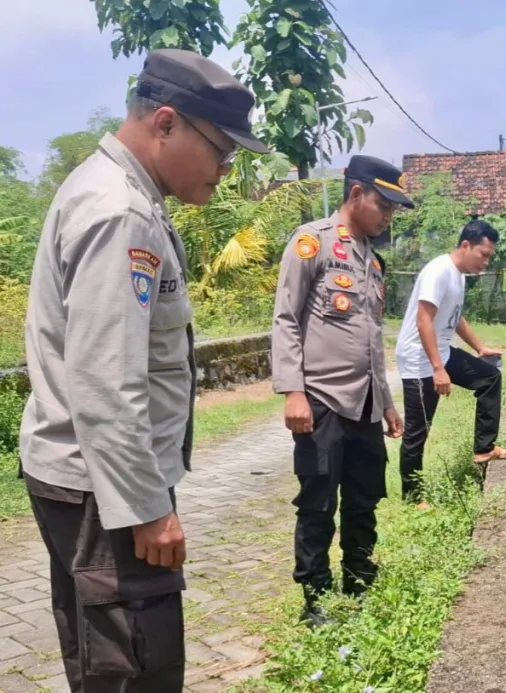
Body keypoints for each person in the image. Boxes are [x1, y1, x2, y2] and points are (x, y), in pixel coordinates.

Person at [18, 49, 268, 693]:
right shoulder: (120, 211)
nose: (226, 170)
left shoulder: (121, 195)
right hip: (107, 492)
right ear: (165, 123)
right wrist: (148, 509)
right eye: (221, 150)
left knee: (105, 665)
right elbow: (107, 378)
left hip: (94, 483)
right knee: (136, 671)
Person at [271, 154, 409, 627]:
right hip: (323, 400)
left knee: (364, 498)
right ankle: (316, 599)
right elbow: (286, 318)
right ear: (356, 194)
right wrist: (293, 391)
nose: (389, 215)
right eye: (384, 204)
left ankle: (360, 582)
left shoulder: (373, 260)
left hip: (367, 405)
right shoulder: (314, 244)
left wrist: (388, 403)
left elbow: (372, 336)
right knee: (317, 503)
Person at [395, 219, 506, 505]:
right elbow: (423, 318)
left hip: (442, 352)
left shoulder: (458, 276)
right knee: (418, 432)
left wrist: (479, 347)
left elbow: (455, 316)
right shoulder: (438, 271)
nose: (486, 262)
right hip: (419, 359)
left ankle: (484, 449)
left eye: (490, 257)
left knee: (489, 378)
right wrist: (438, 369)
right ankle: (413, 498)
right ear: (466, 245)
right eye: (484, 255)